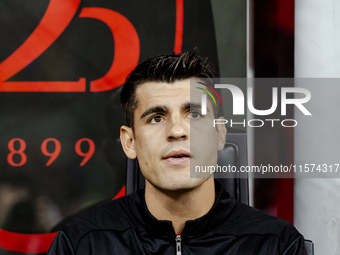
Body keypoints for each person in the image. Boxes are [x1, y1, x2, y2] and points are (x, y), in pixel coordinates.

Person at [47, 51, 307, 254]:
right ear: (129, 142)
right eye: (156, 118)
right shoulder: (82, 243)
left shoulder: (276, 245)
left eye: (193, 114)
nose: (177, 131)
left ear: (219, 134)